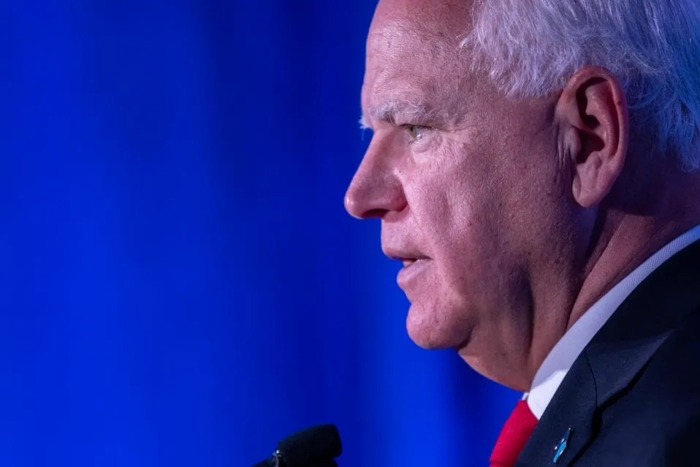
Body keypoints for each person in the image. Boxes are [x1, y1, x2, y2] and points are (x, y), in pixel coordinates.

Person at [343, 0, 700, 465]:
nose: (359, 197)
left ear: (589, 136)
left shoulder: (666, 439)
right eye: (372, 131)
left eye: (416, 128)